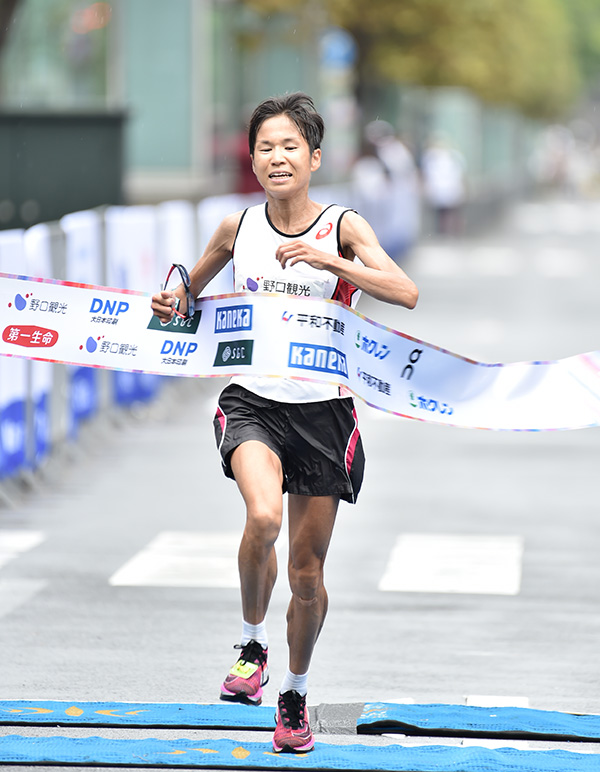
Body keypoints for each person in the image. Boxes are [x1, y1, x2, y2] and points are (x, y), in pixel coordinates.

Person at [151, 93, 418, 754]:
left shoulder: (342, 226)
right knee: (262, 518)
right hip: (252, 401)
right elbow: (184, 304)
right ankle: (252, 644)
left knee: (306, 573)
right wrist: (172, 301)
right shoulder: (236, 228)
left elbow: (404, 291)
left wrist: (333, 262)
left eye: (289, 146)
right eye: (265, 147)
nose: (276, 157)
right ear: (253, 159)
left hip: (325, 412)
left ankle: (294, 692)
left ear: (315, 157)